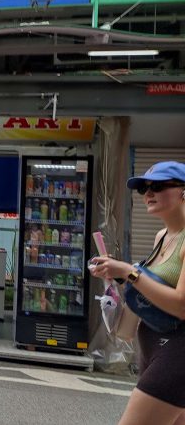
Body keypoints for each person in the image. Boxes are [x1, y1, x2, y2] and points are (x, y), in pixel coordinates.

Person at [91, 161, 185, 425]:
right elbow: (156, 288)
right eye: (144, 187)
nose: (148, 193)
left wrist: (131, 273)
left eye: (158, 186)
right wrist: (120, 274)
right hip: (154, 347)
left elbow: (181, 305)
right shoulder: (162, 236)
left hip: (176, 353)